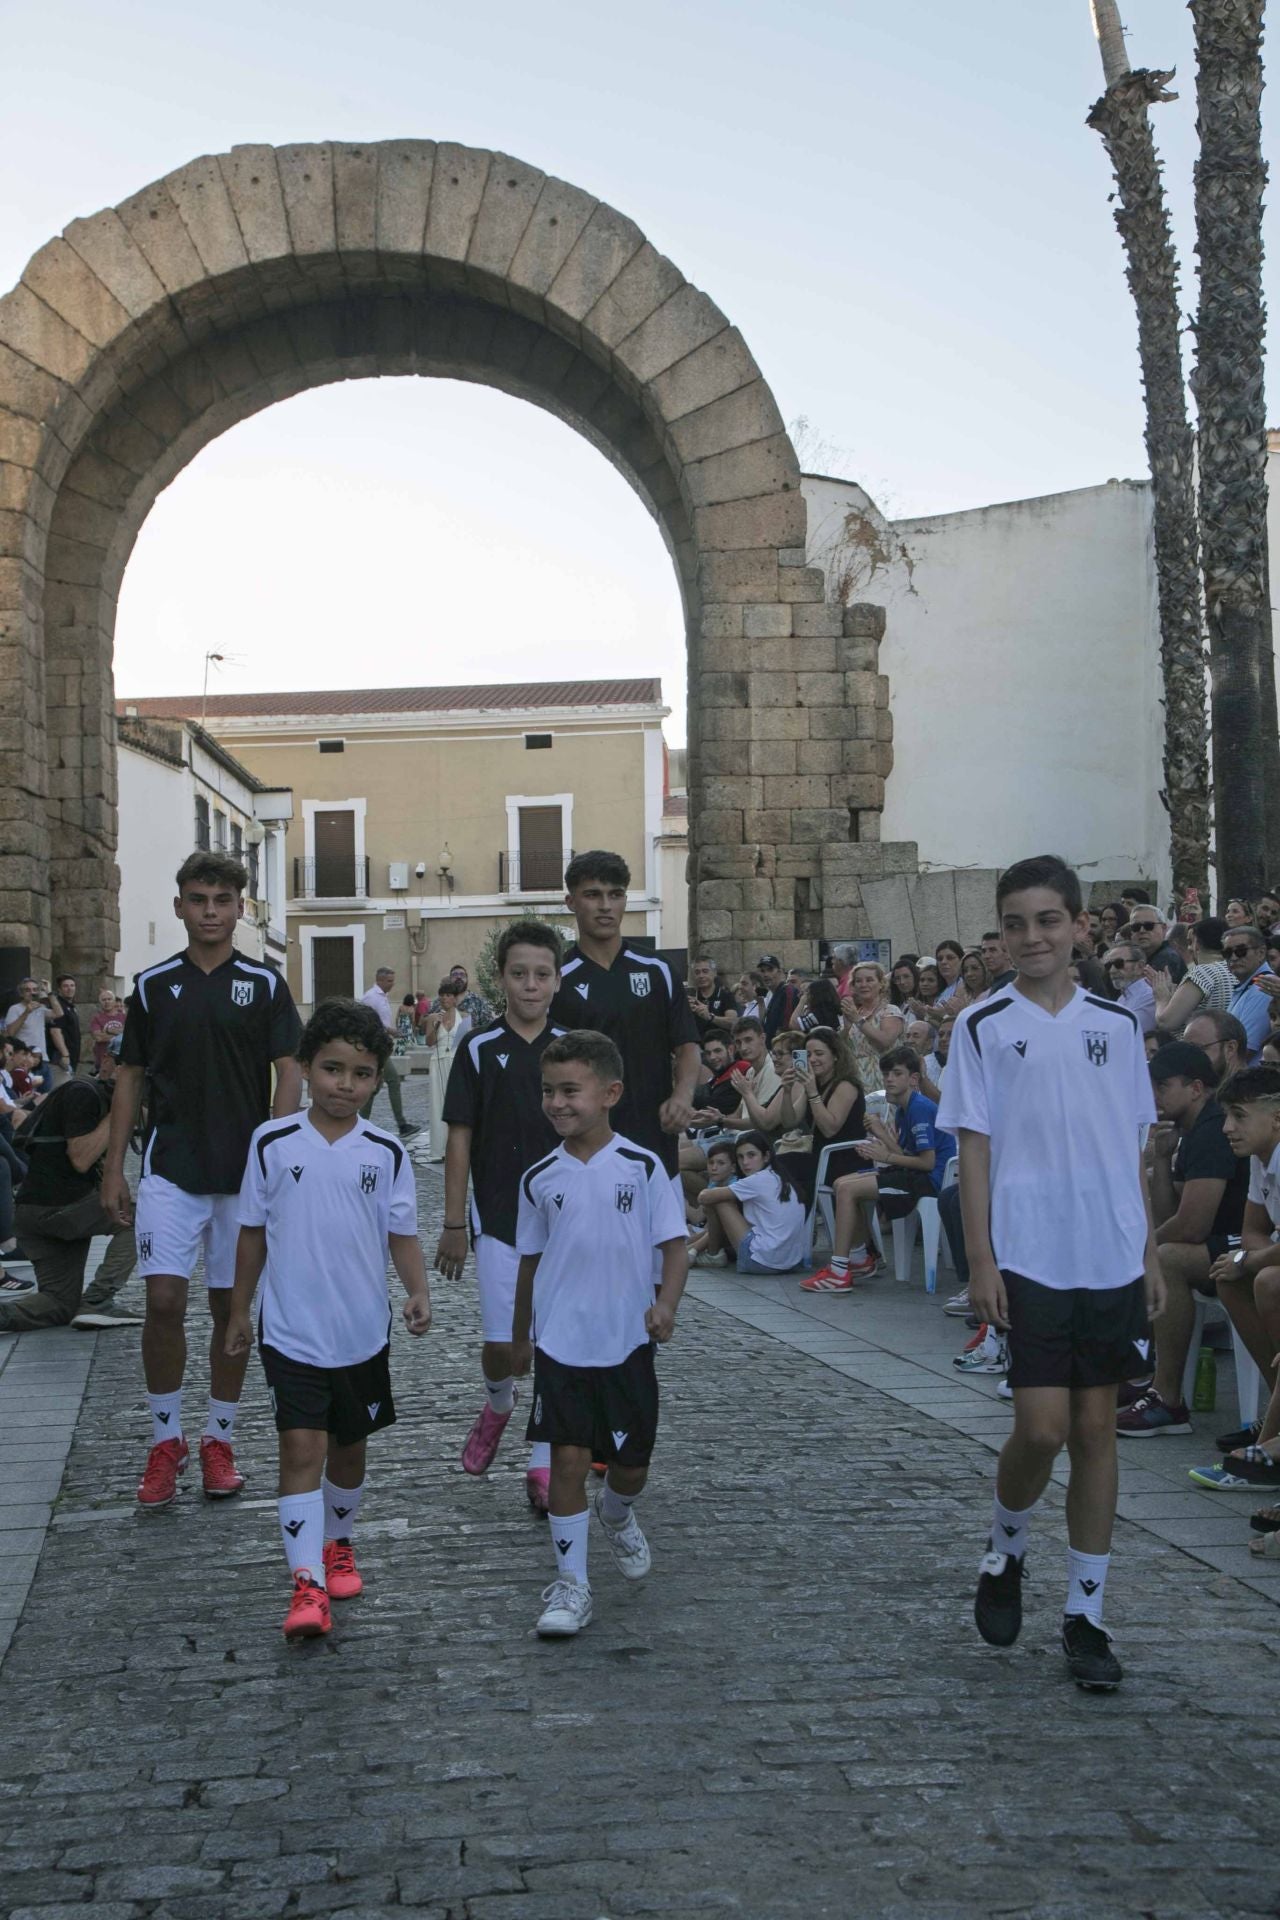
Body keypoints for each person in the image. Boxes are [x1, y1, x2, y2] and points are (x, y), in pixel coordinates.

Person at [939, 853, 1162, 1693]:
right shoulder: (982, 1024)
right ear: (1000, 936)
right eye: (1015, 924)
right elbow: (974, 1147)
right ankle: (1006, 1547)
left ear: (1076, 926)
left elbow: (1132, 1151)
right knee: (1042, 1431)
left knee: (1098, 1432)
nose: (1032, 937)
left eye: (1047, 921)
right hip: (1027, 1254)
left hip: (1106, 1253)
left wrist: (1145, 1253)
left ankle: (1086, 1615)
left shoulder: (1115, 1023)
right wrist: (983, 1258)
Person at [101, 851, 303, 1510]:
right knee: (162, 1302)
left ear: (239, 908)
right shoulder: (154, 986)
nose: (211, 911)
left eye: (222, 899)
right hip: (171, 1168)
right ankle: (166, 1441)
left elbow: (290, 1068)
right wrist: (114, 1167)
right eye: (198, 899)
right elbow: (129, 1075)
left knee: (230, 1310)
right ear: (180, 906)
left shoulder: (265, 983)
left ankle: (219, 1439)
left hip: (244, 1175)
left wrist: (274, 1148)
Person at [226, 998, 430, 1640]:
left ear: (376, 1079)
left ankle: (339, 1542)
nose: (346, 1085)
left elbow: (401, 1234)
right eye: (333, 1069)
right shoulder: (272, 1143)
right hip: (290, 1328)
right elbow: (252, 1233)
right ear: (307, 1069)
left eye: (362, 1073)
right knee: (300, 1447)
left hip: (362, 1331)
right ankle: (306, 1583)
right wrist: (239, 1309)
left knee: (348, 1449)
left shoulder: (386, 1152)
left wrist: (418, 1290)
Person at [511, 1030, 687, 1638]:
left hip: (626, 1341)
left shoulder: (642, 1167)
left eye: (570, 1091)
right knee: (566, 1460)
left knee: (629, 1462)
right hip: (561, 1342)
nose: (557, 1103)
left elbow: (673, 1246)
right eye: (548, 1092)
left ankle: (617, 1513)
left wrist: (665, 1304)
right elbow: (529, 1261)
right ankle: (572, 1584)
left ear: (610, 1093)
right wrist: (520, 1337)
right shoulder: (538, 1177)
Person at [436, 920, 565, 1511]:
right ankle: (498, 1404)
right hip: (496, 1214)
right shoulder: (478, 1047)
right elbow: (459, 1136)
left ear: (557, 980)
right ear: (502, 979)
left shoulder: (573, 1050)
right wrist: (454, 1222)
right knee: (503, 1346)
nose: (531, 985)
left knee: (554, 1346)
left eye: (542, 974)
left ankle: (541, 1463)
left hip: (565, 1221)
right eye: (519, 974)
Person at [549, 851, 700, 1215]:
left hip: (654, 1142)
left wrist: (682, 1096)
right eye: (593, 894)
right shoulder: (557, 979)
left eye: (615, 894)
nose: (605, 906)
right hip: (586, 1147)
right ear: (571, 901)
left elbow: (687, 1045)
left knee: (663, 1260)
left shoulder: (657, 970)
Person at [1117, 1042, 1249, 1437]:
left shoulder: (1212, 1130)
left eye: (1161, 1086)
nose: (1153, 1096)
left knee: (1166, 1258)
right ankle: (1142, 1372)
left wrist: (1141, 1253)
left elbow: (1190, 1227)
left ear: (1195, 1088)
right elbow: (1167, 1214)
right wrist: (1159, 1157)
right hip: (1219, 1242)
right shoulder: (1189, 1130)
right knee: (1154, 1251)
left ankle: (1167, 1398)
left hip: (1238, 1243)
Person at [1185, 1065, 1280, 1492]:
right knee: (1231, 1276)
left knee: (1266, 1281)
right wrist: (1246, 1259)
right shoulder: (1264, 1159)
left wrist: (1251, 1261)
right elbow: (1254, 1230)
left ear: (1276, 1117)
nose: (1227, 1127)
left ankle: (1265, 1455)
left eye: (1239, 1116)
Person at [805, 1044, 954, 1293]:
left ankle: (839, 1271)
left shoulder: (920, 1108)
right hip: (913, 1174)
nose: (889, 1079)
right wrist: (882, 1135)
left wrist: (884, 1155)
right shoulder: (903, 1109)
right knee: (842, 1182)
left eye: (896, 1074)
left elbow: (927, 1163)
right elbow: (904, 1154)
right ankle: (859, 1257)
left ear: (913, 1078)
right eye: (886, 1074)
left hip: (929, 1181)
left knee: (847, 1190)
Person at [0, 1069, 139, 1332]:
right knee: (141, 1220)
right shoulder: (82, 1093)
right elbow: (81, 1158)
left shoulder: (89, 1094)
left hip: (40, 1213)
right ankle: (98, 1301)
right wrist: (120, 1111)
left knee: (59, 1304)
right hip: (57, 1207)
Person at [773, 1026, 866, 1214]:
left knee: (784, 1166)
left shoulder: (846, 1085)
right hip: (820, 1154)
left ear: (835, 1055)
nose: (812, 1059)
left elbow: (829, 1128)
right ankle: (793, 1224)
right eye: (808, 1054)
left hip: (844, 1157)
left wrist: (813, 1092)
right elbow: (790, 1121)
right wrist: (787, 1091)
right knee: (773, 1165)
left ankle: (800, 1224)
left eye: (819, 1054)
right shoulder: (813, 1083)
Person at [697, 1130, 806, 1275]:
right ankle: (692, 1249)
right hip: (790, 1262)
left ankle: (712, 1255)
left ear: (766, 1156)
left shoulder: (758, 1179)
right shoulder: (780, 1177)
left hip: (762, 1261)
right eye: (740, 1157)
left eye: (751, 1155)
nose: (745, 1162)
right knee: (726, 1199)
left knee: (720, 1201)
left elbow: (704, 1197)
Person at [358, 966, 420, 1141]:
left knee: (374, 1087)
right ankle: (401, 1124)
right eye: (390, 981)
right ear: (380, 980)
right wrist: (390, 1031)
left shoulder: (381, 997)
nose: (392, 984)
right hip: (374, 1046)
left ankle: (360, 1123)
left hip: (381, 1045)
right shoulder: (371, 997)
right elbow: (367, 1021)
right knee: (393, 1080)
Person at [1151, 916, 1233, 1031]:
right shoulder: (1234, 971)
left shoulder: (1201, 973)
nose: (1189, 948)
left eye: (1190, 942)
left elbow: (1166, 1022)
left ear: (1197, 944)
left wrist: (1162, 998)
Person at [422, 977, 472, 1161]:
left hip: (456, 1061)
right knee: (437, 1104)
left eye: (448, 995)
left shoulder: (465, 1018)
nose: (444, 999)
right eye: (442, 995)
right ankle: (438, 1149)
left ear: (455, 998)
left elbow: (467, 1043)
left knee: (456, 1103)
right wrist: (435, 1028)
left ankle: (457, 1146)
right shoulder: (434, 1017)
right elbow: (429, 1043)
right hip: (438, 1061)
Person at [841, 961, 904, 1096]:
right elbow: (842, 1049)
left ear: (881, 984)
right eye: (858, 981)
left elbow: (885, 1041)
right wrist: (845, 1029)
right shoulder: (854, 1013)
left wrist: (857, 1020)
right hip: (857, 1078)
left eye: (869, 980)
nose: (864, 985)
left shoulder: (890, 1010)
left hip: (885, 1075)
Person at [4, 976, 68, 1093]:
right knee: (28, 1096)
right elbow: (10, 1033)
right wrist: (26, 1012)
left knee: (45, 1097)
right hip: (25, 1061)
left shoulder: (40, 1008)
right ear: (21, 993)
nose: (31, 993)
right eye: (27, 990)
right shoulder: (15, 1009)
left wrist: (49, 992)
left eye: (34, 990)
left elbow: (59, 1013)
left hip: (42, 1059)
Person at [1223, 925, 1274, 1062]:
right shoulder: (1249, 986)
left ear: (1261, 953)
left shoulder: (1263, 988)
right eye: (1228, 953)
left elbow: (1243, 1051)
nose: (1233, 958)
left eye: (1241, 951)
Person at [687, 1139, 739, 1263]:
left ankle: (693, 1251)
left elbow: (721, 1226)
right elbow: (698, 1217)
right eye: (711, 1163)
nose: (714, 1168)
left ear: (733, 1168)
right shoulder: (714, 1183)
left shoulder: (736, 1183)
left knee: (716, 1203)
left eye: (721, 1163)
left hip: (733, 1240)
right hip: (714, 1235)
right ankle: (687, 1248)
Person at [1184, 1008, 1249, 1085]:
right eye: (1186, 1051)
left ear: (1230, 1048)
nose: (1188, 1059)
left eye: (1197, 1049)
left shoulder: (1252, 1094)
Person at [1103, 942, 1156, 1033]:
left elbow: (1124, 1032)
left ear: (1140, 967)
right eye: (1108, 966)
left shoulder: (1150, 995)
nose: (1112, 971)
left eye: (1118, 964)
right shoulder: (1122, 999)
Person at [1125, 907, 1187, 984]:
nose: (1142, 931)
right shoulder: (1135, 958)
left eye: (1149, 926)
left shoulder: (1168, 957)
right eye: (1136, 927)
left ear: (1163, 928)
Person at [686, 956, 737, 1041]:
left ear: (714, 973)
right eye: (697, 972)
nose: (701, 976)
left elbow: (733, 1022)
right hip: (697, 1048)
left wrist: (710, 1017)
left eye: (705, 971)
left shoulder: (725, 995)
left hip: (720, 1047)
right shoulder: (691, 997)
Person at [757, 954, 800, 1042]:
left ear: (780, 972)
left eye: (770, 970)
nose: (766, 974)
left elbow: (785, 1027)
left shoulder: (787, 991)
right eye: (762, 971)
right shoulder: (771, 995)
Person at [49, 975, 81, 1079]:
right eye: (66, 986)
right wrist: (65, 1054)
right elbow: (55, 1031)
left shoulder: (71, 1006)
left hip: (72, 1055)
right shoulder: (58, 1006)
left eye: (72, 985)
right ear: (59, 989)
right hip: (61, 1057)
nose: (70, 988)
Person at [89, 988, 126, 1074]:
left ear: (114, 1001)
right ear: (100, 1003)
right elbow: (98, 1038)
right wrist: (120, 1035)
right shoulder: (96, 1018)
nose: (107, 1002)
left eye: (109, 999)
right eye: (104, 1000)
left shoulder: (124, 1017)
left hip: (122, 1061)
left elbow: (129, 1035)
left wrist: (107, 1031)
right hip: (104, 1062)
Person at [935, 940, 966, 1005]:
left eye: (950, 958)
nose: (943, 962)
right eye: (940, 959)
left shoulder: (965, 985)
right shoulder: (941, 990)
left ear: (961, 960)